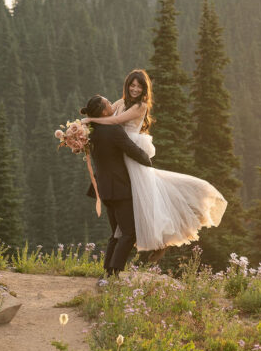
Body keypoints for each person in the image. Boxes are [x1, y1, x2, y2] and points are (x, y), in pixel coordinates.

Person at [82, 69, 227, 255]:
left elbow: (115, 120)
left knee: (144, 191)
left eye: (139, 86)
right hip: (120, 148)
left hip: (129, 146)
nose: (134, 89)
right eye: (132, 85)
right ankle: (118, 252)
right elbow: (107, 112)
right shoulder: (121, 102)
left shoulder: (140, 106)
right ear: (128, 85)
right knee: (129, 191)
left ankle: (158, 232)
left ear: (144, 89)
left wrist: (88, 120)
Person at [81, 94, 153, 276]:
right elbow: (132, 150)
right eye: (107, 102)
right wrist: (147, 160)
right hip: (120, 189)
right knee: (129, 233)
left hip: (104, 190)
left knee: (116, 233)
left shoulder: (92, 131)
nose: (111, 103)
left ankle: (107, 273)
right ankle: (113, 273)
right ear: (104, 111)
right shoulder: (113, 130)